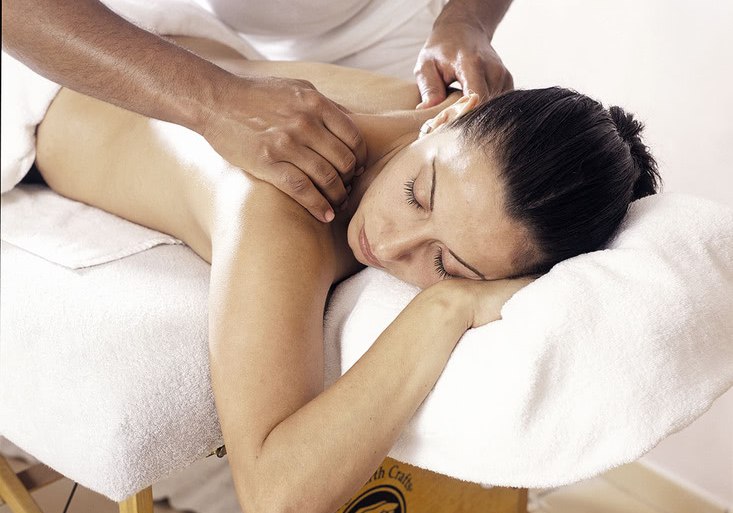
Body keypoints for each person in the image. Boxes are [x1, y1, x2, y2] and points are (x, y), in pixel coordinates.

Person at [32, 37, 659, 513]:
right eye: (417, 194)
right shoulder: (280, 208)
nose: (387, 244)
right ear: (449, 116)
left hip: (174, 42)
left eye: (446, 264)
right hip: (41, 80)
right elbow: (273, 494)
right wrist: (444, 306)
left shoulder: (449, 137)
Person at [1, 0, 513, 224]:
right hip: (205, 30)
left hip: (392, 22)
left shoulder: (442, 117)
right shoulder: (267, 220)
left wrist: (466, 18)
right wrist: (215, 100)